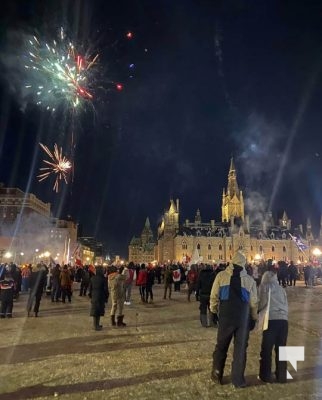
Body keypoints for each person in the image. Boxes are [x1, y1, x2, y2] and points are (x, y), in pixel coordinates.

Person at [210, 251, 258, 388]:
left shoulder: (221, 276)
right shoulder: (249, 280)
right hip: (242, 318)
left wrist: (213, 311)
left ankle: (217, 373)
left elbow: (214, 296)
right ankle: (238, 379)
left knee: (221, 346)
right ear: (243, 264)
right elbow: (254, 302)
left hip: (226, 316)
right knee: (240, 349)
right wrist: (253, 318)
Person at [258, 267, 288, 383]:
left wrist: (257, 312)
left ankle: (265, 375)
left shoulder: (264, 287)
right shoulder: (281, 289)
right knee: (281, 349)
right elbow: (286, 304)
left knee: (266, 349)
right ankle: (282, 376)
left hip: (271, 320)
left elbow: (262, 302)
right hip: (284, 321)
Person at [88, 266, 109, 331]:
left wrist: (91, 295)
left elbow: (90, 288)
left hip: (94, 295)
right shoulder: (103, 279)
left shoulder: (92, 278)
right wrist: (106, 297)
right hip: (101, 295)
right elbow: (105, 289)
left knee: (95, 310)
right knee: (99, 310)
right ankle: (96, 326)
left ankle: (96, 324)